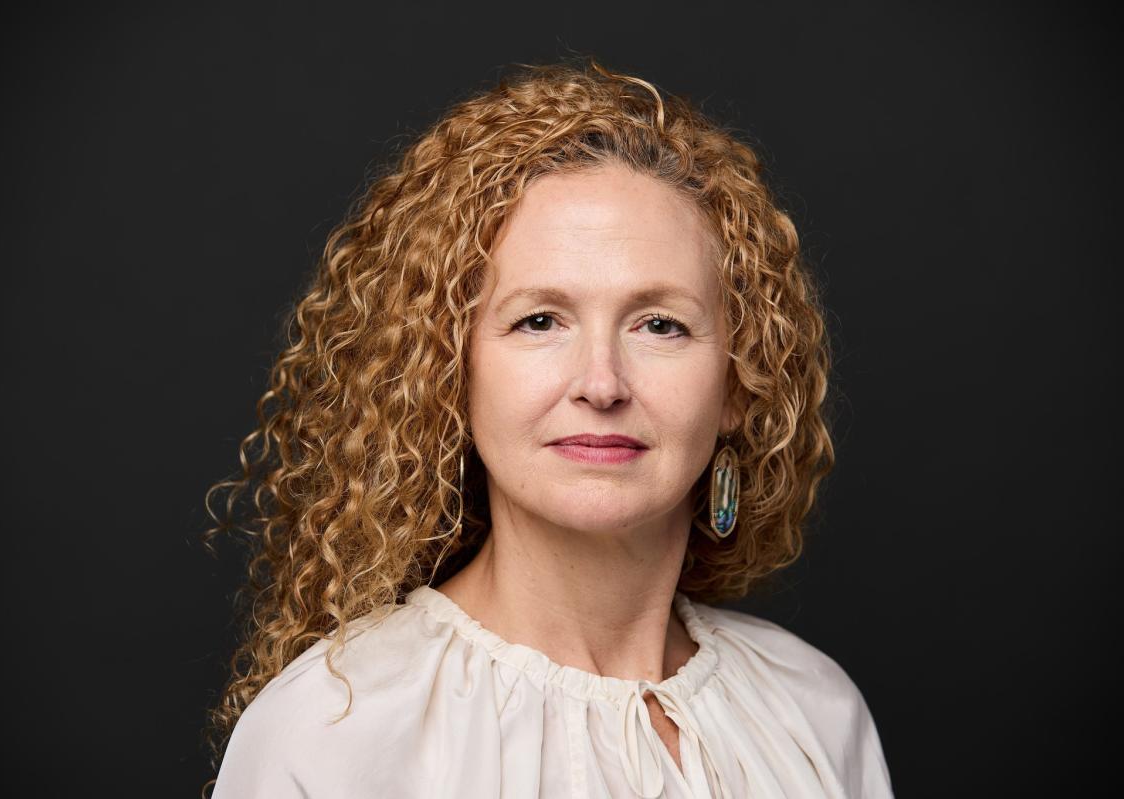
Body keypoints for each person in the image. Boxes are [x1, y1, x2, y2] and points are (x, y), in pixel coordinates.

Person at [204, 57, 894, 798]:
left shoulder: (815, 711)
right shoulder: (332, 733)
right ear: (453, 370)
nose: (601, 383)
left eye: (660, 324)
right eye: (539, 320)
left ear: (738, 382)